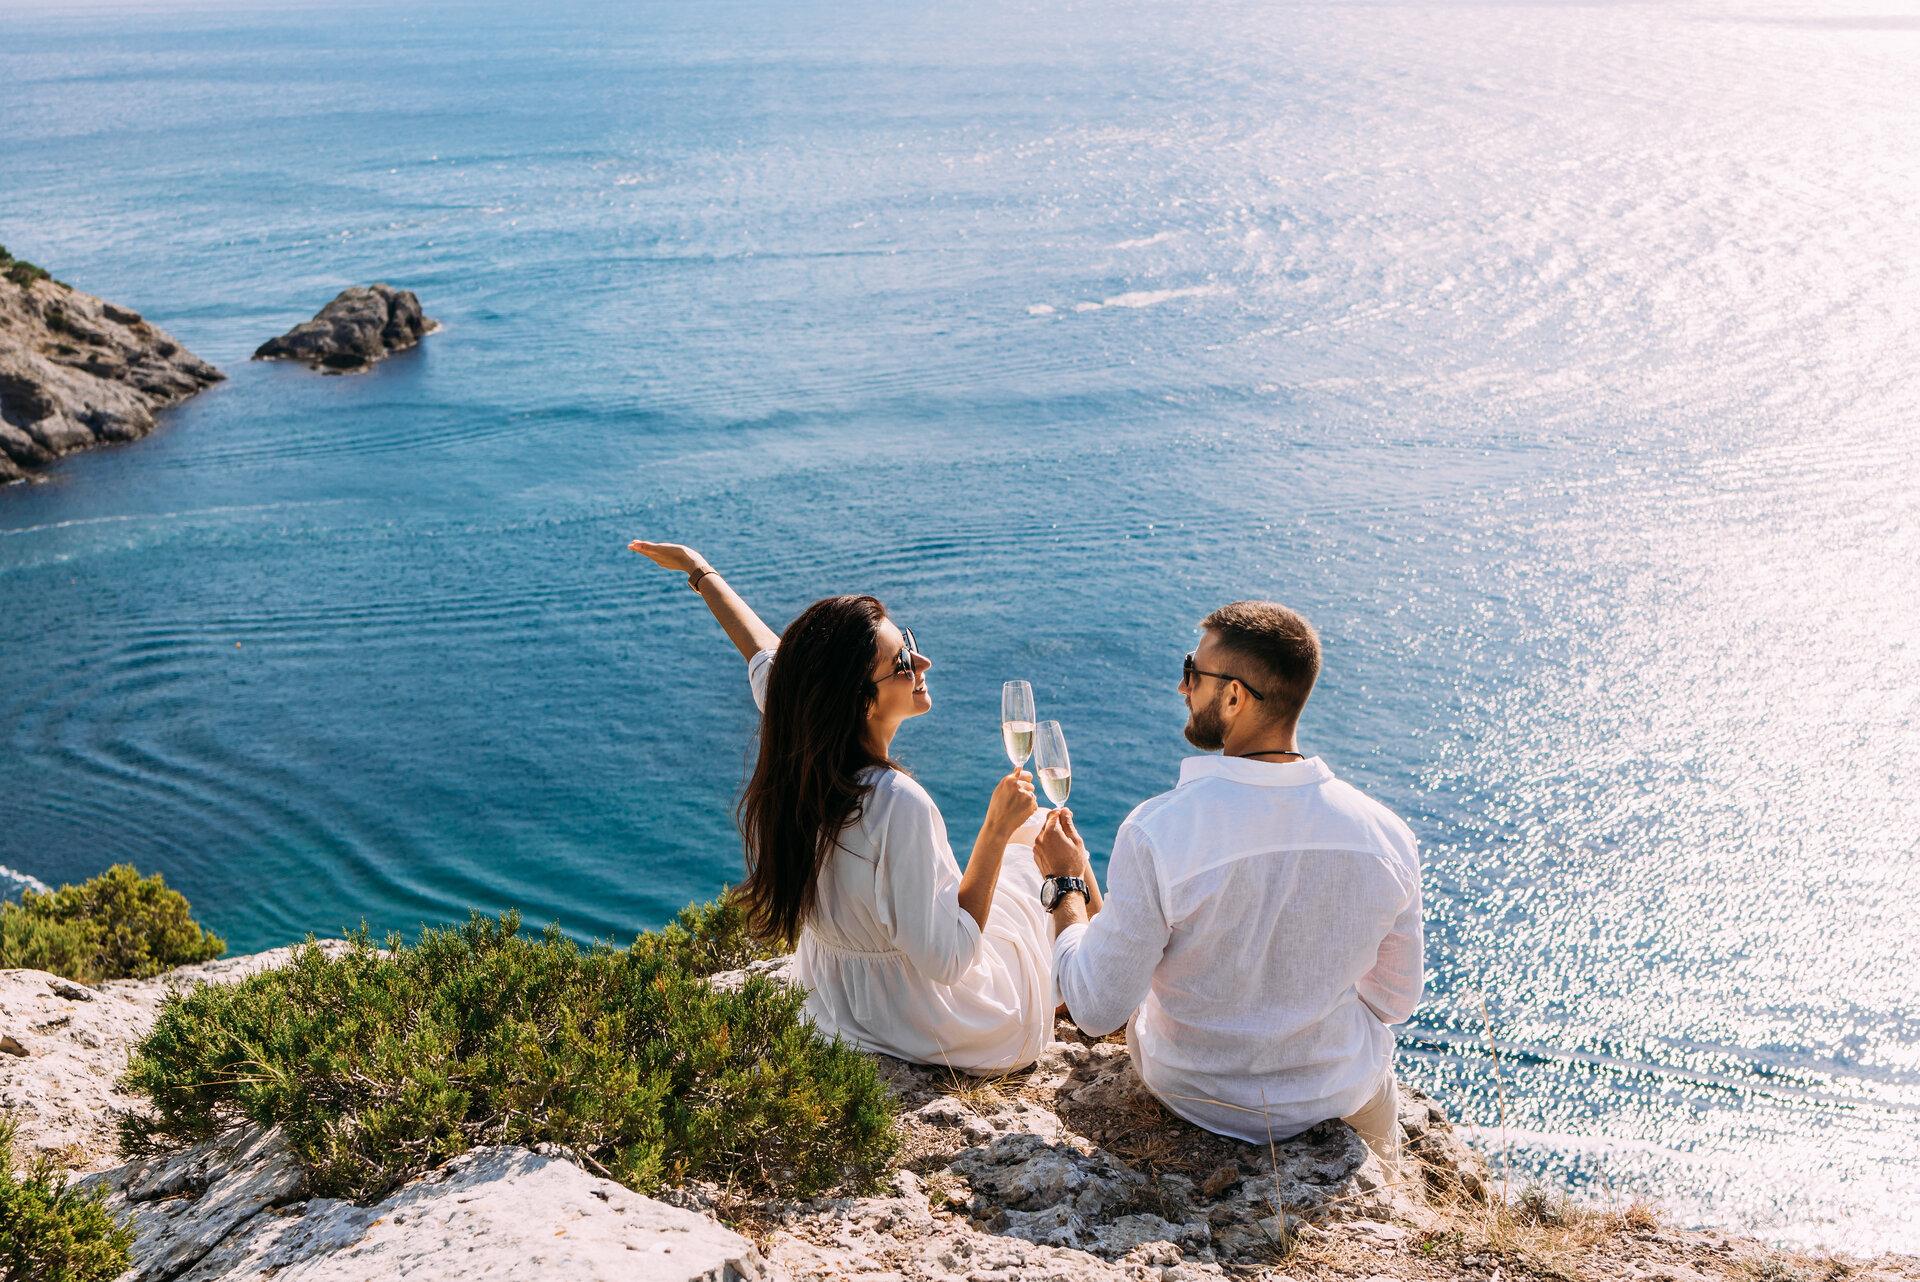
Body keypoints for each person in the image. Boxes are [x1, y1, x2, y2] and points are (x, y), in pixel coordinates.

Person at [628, 539, 1068, 1073]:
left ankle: (1083, 985)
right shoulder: (898, 803)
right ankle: (1094, 998)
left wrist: (700, 572)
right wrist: (995, 831)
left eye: (908, 641)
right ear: (862, 700)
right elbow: (949, 960)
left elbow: (768, 657)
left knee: (1035, 841)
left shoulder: (802, 736)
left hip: (836, 1008)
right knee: (1050, 840)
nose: (923, 661)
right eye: (903, 661)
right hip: (937, 1023)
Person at [1030, 601, 1422, 1172]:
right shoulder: (1386, 835)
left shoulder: (1158, 830)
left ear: (1234, 696)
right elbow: (1394, 1000)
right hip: (1337, 1095)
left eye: (1193, 671)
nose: (1181, 685)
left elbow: (1094, 1008)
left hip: (1191, 1094)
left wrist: (1065, 884)